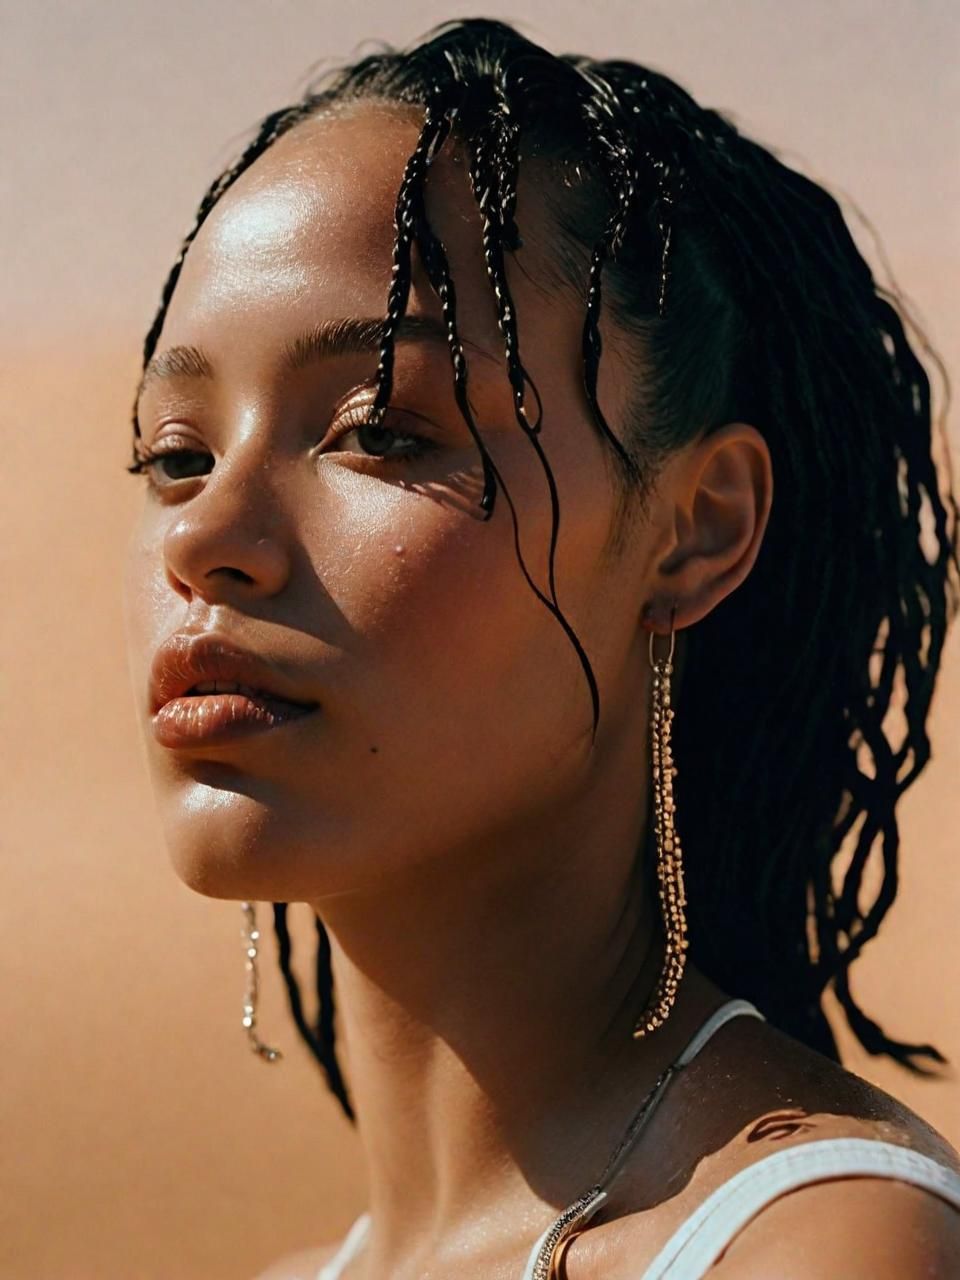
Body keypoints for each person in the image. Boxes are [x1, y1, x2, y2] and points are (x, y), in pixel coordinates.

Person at [123, 17, 960, 1278]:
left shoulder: (822, 1246)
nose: (208, 534)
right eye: (175, 453)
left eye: (382, 430)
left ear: (695, 527)